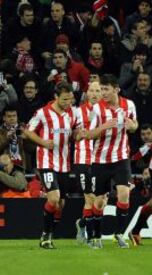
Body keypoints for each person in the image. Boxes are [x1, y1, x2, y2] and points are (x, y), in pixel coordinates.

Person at [85, 74, 138, 249]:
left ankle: (119, 234)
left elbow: (135, 124)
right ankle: (96, 236)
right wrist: (102, 127)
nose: (102, 93)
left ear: (116, 89)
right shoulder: (96, 110)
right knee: (99, 201)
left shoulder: (128, 105)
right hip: (100, 160)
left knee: (124, 194)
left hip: (121, 158)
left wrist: (133, 126)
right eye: (101, 89)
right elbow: (88, 135)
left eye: (106, 89)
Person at [25, 82, 76, 249]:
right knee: (53, 198)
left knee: (60, 203)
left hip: (64, 164)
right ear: (55, 97)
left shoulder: (72, 114)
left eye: (70, 99)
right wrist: (43, 142)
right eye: (64, 99)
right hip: (47, 162)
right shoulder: (42, 113)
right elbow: (27, 131)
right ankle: (45, 235)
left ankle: (50, 233)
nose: (68, 102)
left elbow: (76, 131)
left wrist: (78, 135)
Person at [74, 81, 104, 247]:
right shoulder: (79, 112)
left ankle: (83, 224)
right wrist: (80, 135)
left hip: (104, 160)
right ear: (87, 93)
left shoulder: (107, 112)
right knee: (91, 198)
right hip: (84, 160)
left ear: (102, 93)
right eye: (91, 90)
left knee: (101, 201)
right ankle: (93, 238)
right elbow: (74, 136)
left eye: (97, 90)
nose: (94, 93)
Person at [128, 124, 152, 246]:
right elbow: (132, 158)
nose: (146, 136)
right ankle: (135, 232)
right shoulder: (143, 147)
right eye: (143, 134)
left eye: (148, 133)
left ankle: (135, 232)